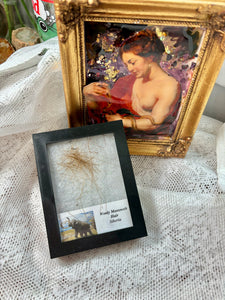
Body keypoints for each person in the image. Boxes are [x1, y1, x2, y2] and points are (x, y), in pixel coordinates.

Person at [83, 29, 181, 137]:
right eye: (126, 65)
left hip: (149, 143)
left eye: (132, 63)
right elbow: (106, 112)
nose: (129, 68)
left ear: (150, 57)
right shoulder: (125, 82)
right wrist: (91, 95)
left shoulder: (170, 85)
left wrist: (124, 122)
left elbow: (155, 122)